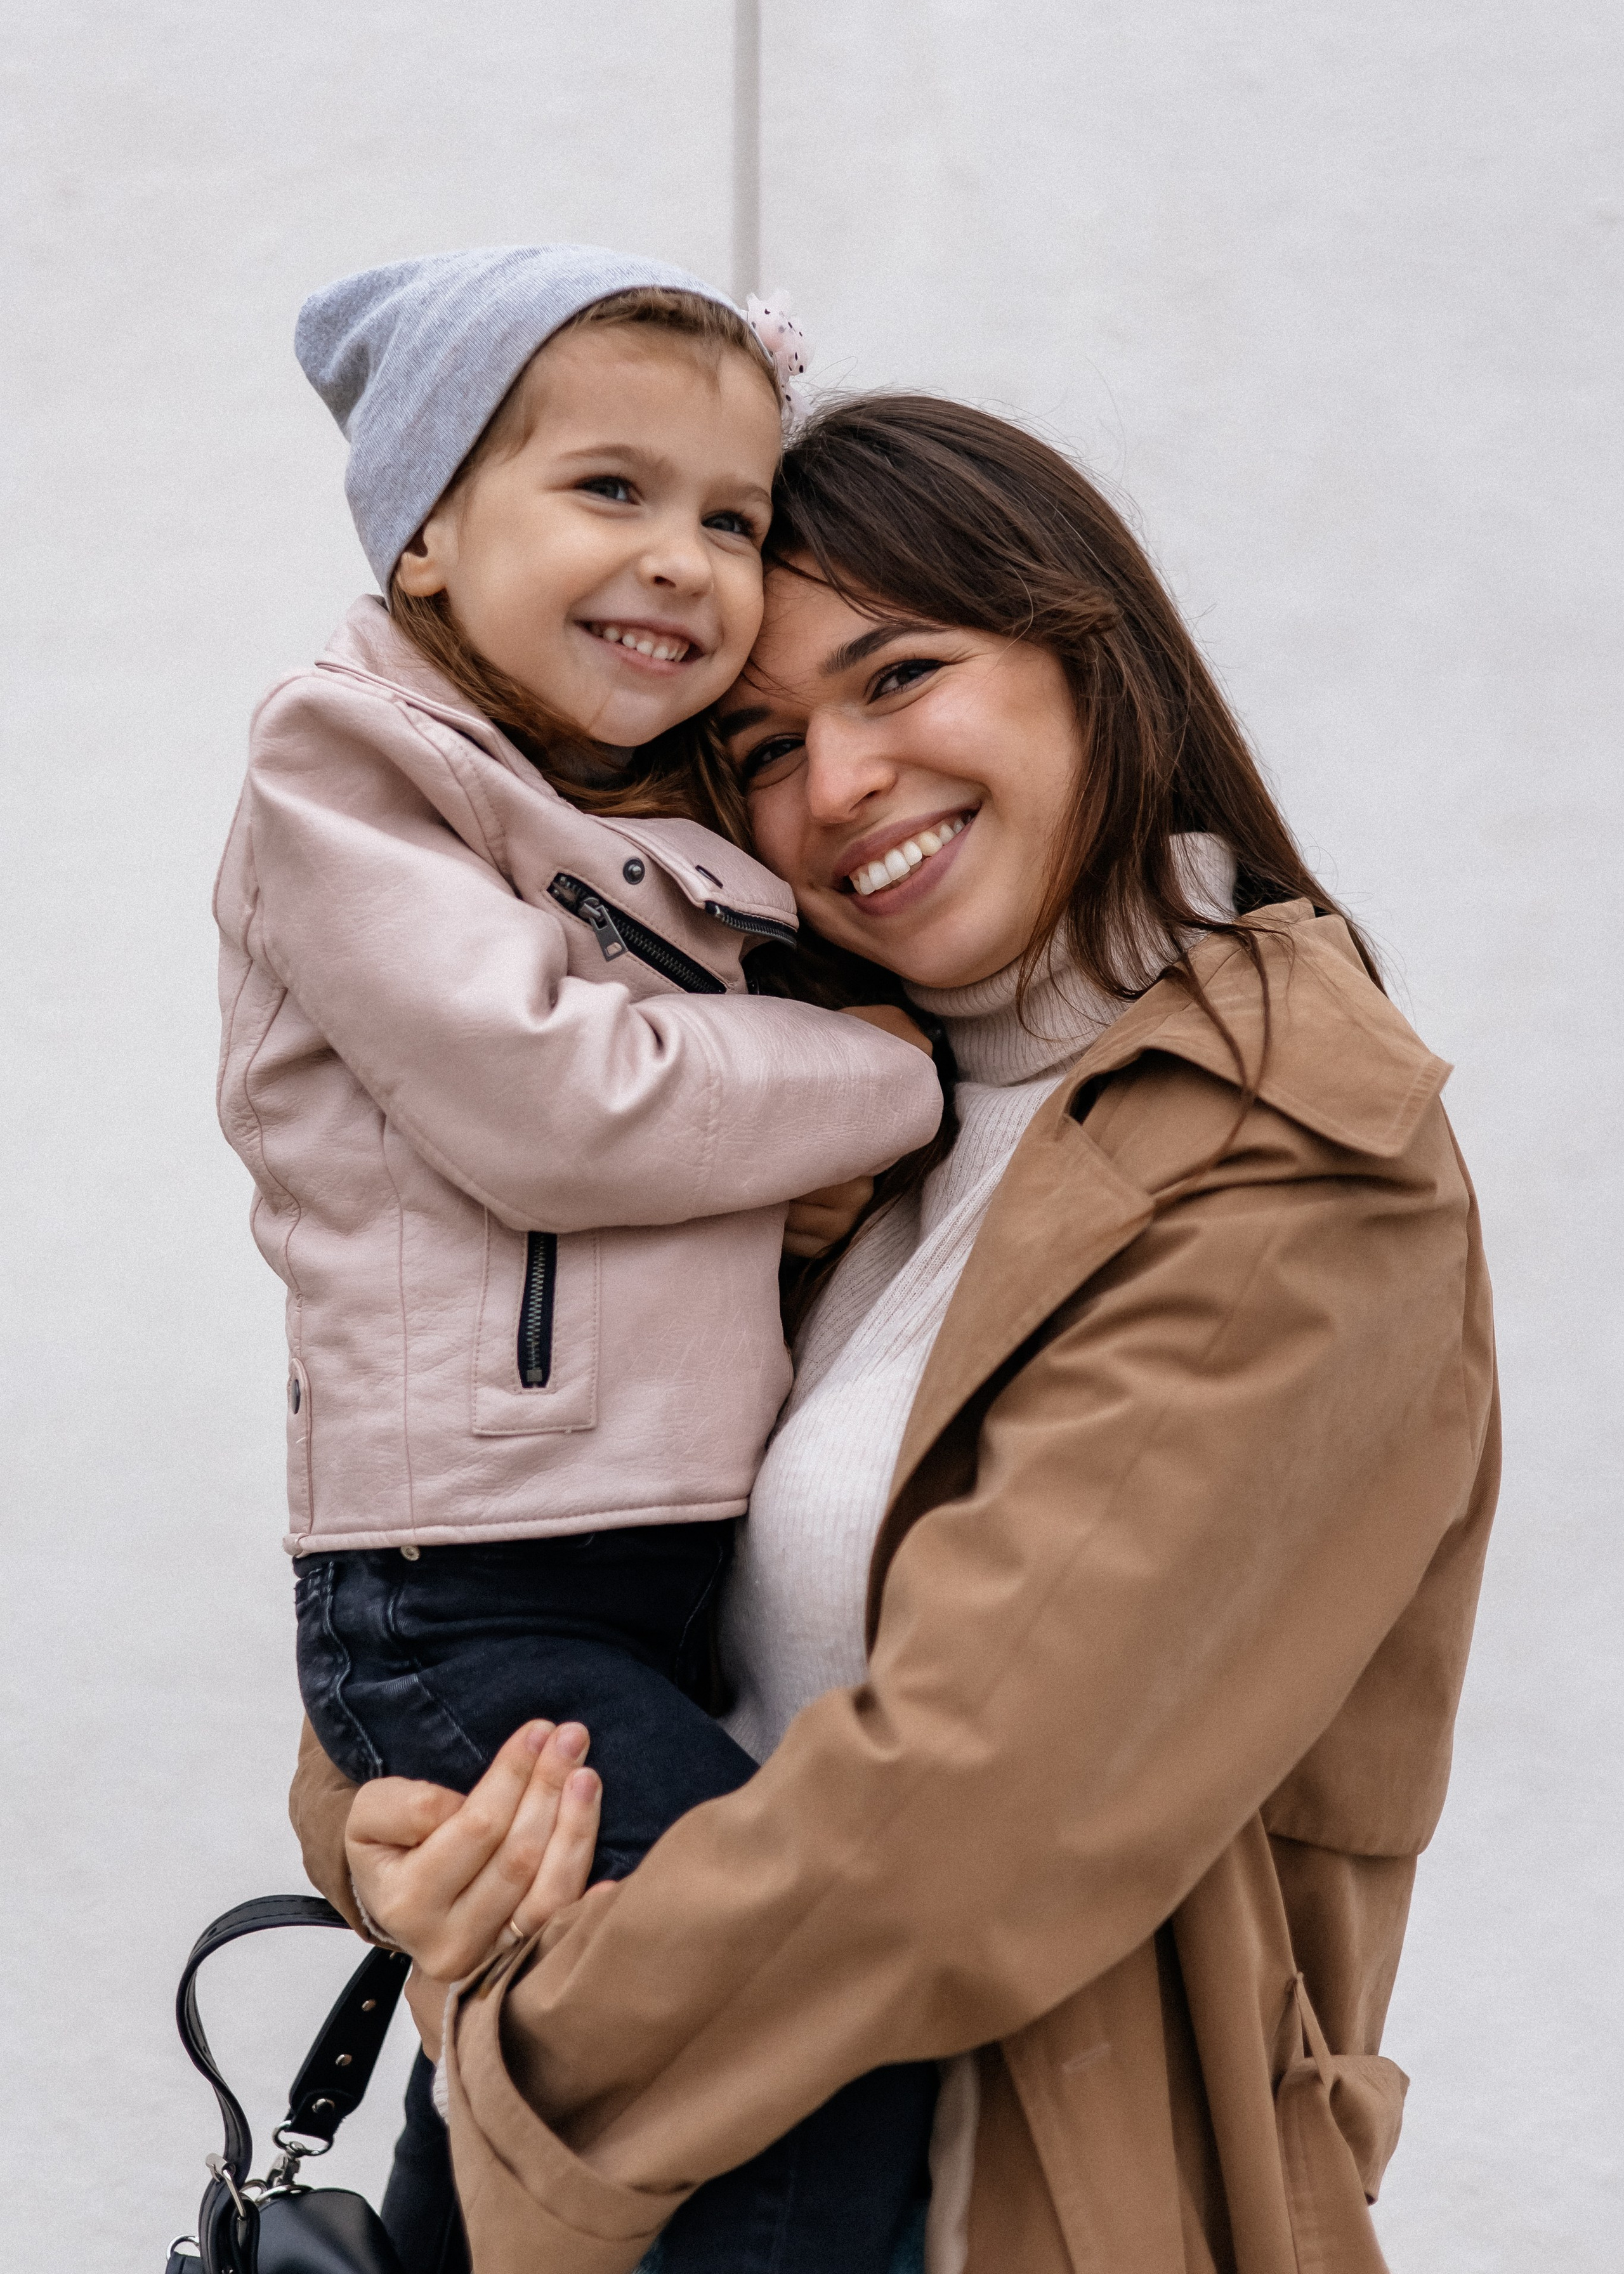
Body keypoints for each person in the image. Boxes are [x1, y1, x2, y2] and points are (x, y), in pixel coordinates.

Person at [294, 393, 1499, 2274]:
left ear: (1096, 659)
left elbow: (957, 1830)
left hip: (1004, 2213)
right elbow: (516, 1563)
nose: (838, 783)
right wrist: (386, 1836)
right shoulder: (823, 1124)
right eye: (764, 744)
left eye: (904, 676)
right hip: (659, 2187)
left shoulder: (1292, 1159)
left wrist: (514, 2029)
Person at [216, 250, 948, 2274]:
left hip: (642, 1576)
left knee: (575, 2058)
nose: (687, 562)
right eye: (609, 491)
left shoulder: (647, 801)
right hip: (472, 1595)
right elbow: (557, 1099)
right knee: (777, 2014)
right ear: (433, 530)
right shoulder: (351, 768)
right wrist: (872, 1080)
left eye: (732, 515)